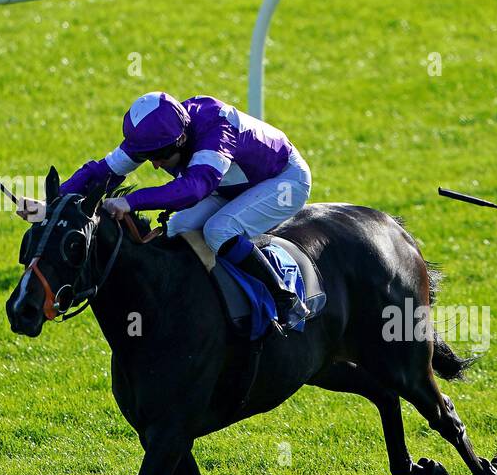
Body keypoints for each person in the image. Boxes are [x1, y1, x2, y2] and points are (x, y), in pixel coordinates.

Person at [19, 91, 311, 331]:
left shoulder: (215, 132)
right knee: (178, 229)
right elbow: (102, 172)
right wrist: (53, 204)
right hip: (229, 186)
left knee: (218, 230)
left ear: (181, 141)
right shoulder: (157, 132)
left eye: (159, 157)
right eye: (148, 159)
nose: (156, 165)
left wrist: (131, 202)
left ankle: (285, 299)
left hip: (283, 181)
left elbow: (194, 188)